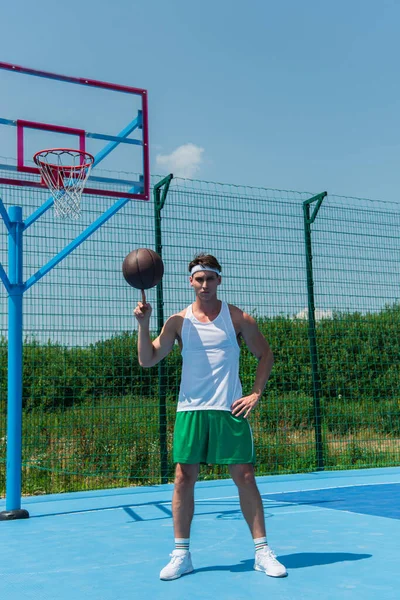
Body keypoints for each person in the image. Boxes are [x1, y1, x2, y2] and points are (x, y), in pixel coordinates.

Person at [133, 253, 287, 580]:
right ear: (191, 281)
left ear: (219, 280)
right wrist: (143, 325)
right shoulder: (177, 322)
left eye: (210, 278)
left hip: (229, 407)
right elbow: (147, 360)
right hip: (190, 410)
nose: (204, 284)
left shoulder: (238, 319)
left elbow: (265, 355)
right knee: (183, 478)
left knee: (245, 476)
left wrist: (256, 392)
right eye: (199, 279)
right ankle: (181, 554)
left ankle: (262, 552)